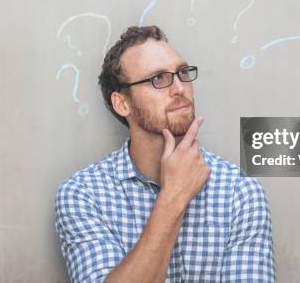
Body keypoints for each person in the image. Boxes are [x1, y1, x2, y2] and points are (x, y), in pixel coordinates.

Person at [55, 25, 276, 282]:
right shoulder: (84, 195)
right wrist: (173, 198)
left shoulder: (240, 192)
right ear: (122, 103)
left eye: (182, 73)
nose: (180, 88)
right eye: (158, 78)